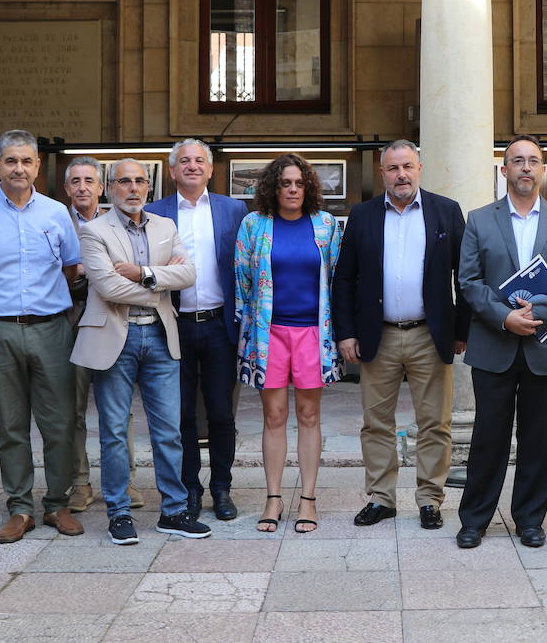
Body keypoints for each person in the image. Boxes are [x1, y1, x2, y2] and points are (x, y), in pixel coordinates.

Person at [455, 134, 547, 549]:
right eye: (518, 161)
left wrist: (539, 312)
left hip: (546, 347)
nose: (526, 167)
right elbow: (468, 281)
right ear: (505, 170)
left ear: (544, 170)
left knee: (539, 437)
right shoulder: (479, 220)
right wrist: (504, 317)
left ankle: (530, 519)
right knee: (488, 437)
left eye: (533, 161)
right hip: (494, 345)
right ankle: (475, 520)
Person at [0, 129, 84, 544]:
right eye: (11, 161)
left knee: (59, 422)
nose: (19, 168)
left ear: (38, 166)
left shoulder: (57, 214)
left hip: (51, 329)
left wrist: (41, 304)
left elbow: (72, 270)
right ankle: (19, 507)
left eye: (27, 161)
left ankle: (58, 503)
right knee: (10, 425)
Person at [70, 159, 210, 545]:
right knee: (114, 431)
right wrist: (162, 282)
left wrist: (144, 273)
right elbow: (109, 288)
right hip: (115, 337)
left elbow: (190, 274)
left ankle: (174, 511)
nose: (133, 188)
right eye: (124, 182)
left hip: (161, 337)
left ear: (148, 187)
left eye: (139, 181)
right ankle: (119, 514)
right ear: (110, 188)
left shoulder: (166, 227)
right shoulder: (94, 230)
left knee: (169, 430)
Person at [333, 140, 470, 530]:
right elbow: (344, 278)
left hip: (431, 334)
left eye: (407, 166)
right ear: (382, 174)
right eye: (393, 169)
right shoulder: (363, 216)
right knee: (376, 422)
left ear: (420, 168)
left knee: (435, 424)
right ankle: (381, 498)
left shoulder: (445, 212)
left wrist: (461, 330)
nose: (401, 175)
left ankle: (429, 499)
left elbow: (466, 275)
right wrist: (346, 333)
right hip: (380, 336)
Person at [235, 153, 343, 534]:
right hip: (269, 333)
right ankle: (274, 497)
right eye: (285, 183)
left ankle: (309, 499)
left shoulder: (327, 225)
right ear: (273, 188)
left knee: (309, 416)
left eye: (299, 183)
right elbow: (242, 281)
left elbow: (337, 280)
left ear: (308, 186)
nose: (292, 189)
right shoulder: (254, 225)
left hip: (313, 333)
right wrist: (246, 333)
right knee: (274, 416)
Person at [146, 140, 247, 522]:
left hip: (220, 325)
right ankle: (189, 488)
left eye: (198, 161)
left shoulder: (232, 209)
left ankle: (222, 488)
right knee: (181, 414)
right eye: (183, 161)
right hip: (172, 326)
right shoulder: (155, 213)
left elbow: (243, 264)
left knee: (221, 413)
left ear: (211, 169)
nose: (191, 166)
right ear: (172, 171)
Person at [62, 156, 143, 513]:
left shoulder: (120, 220)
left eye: (89, 181)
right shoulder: (55, 219)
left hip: (113, 315)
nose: (82, 187)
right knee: (73, 407)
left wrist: (91, 270)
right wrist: (95, 270)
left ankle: (125, 480)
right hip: (69, 317)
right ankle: (79, 482)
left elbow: (131, 267)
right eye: (75, 181)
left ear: (102, 188)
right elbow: (52, 270)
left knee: (118, 408)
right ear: (67, 188)